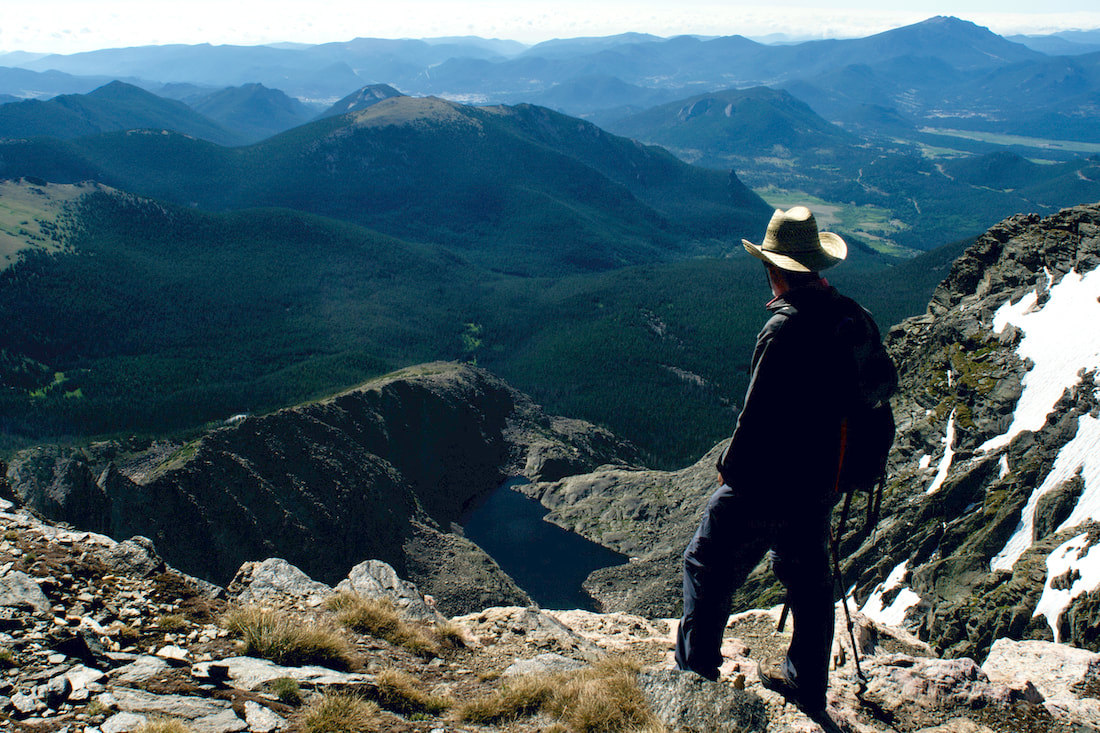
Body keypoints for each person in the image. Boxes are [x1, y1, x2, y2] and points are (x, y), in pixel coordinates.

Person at [675, 205, 882, 731]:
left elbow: (757, 414)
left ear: (774, 268)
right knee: (810, 582)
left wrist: (730, 470)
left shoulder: (783, 329)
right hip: (821, 483)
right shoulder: (852, 318)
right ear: (815, 265)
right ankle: (806, 685)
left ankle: (696, 674)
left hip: (764, 482)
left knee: (705, 561)